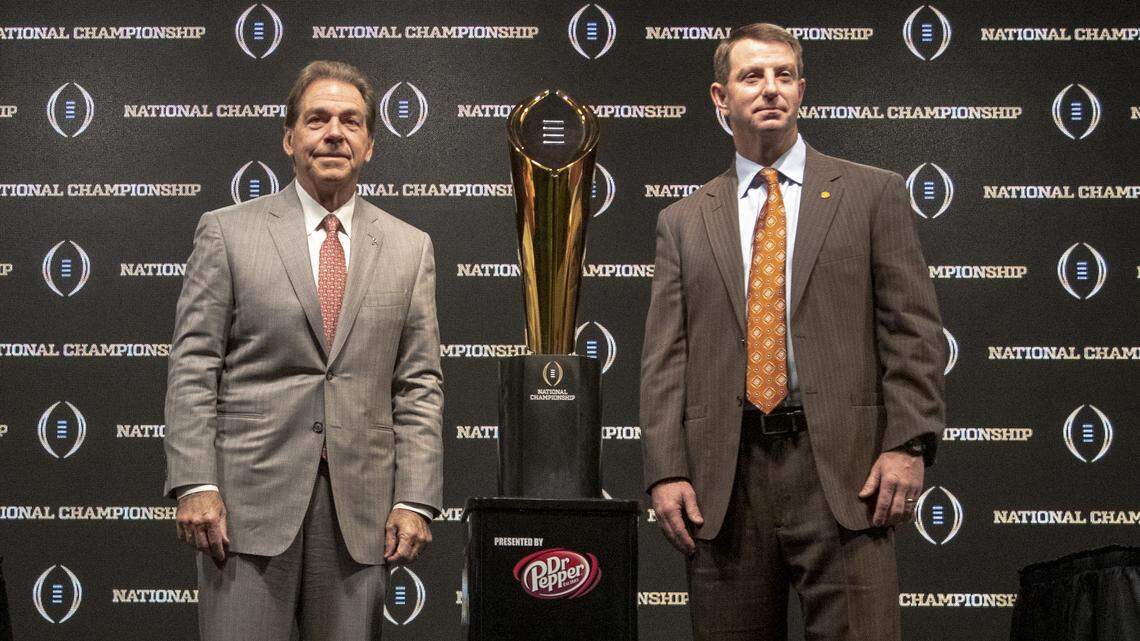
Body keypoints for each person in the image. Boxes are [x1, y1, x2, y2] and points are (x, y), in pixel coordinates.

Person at [640, 23, 945, 641]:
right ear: (720, 98)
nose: (770, 89)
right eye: (751, 76)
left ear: (802, 90)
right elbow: (665, 358)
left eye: (783, 75)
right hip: (725, 482)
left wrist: (908, 443)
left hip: (845, 471)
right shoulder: (682, 221)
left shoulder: (871, 195)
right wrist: (666, 469)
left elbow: (913, 331)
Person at [163, 60, 443, 641]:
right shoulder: (227, 232)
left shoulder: (410, 248)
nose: (334, 132)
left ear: (370, 145)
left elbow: (418, 384)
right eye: (317, 119)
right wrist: (195, 482)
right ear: (290, 139)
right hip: (242, 511)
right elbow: (193, 366)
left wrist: (415, 497)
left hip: (360, 515)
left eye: (351, 121)